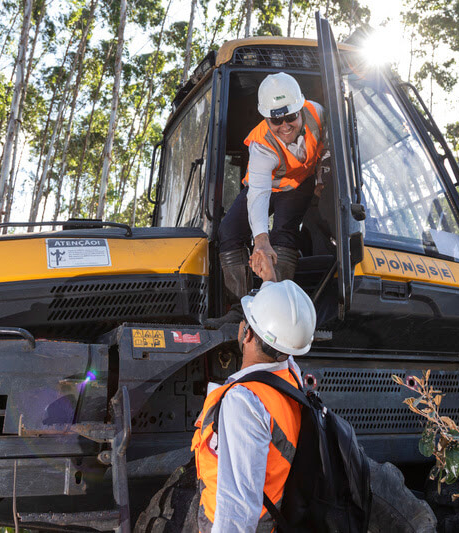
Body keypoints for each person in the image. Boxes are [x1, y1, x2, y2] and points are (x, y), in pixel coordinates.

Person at [190, 274, 317, 532]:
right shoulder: (290, 375)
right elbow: (284, 329)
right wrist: (269, 278)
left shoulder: (245, 402)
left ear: (246, 334)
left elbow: (238, 508)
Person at [218, 72, 328, 305]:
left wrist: (321, 179)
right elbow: (259, 193)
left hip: (298, 185)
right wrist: (260, 240)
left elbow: (328, 147)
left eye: (291, 117)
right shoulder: (261, 144)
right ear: (267, 119)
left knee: (284, 231)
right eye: (276, 121)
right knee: (229, 230)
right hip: (266, 187)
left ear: (300, 109)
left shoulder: (317, 113)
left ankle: (278, 305)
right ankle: (240, 307)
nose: (285, 126)